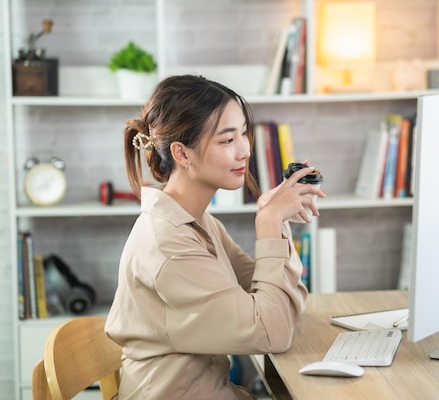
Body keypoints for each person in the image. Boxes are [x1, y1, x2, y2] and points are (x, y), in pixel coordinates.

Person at [105, 74, 325, 400]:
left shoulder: (198, 221)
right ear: (182, 154)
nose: (245, 151)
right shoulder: (169, 243)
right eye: (227, 141)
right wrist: (268, 222)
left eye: (244, 135)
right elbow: (273, 333)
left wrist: (277, 223)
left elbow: (281, 305)